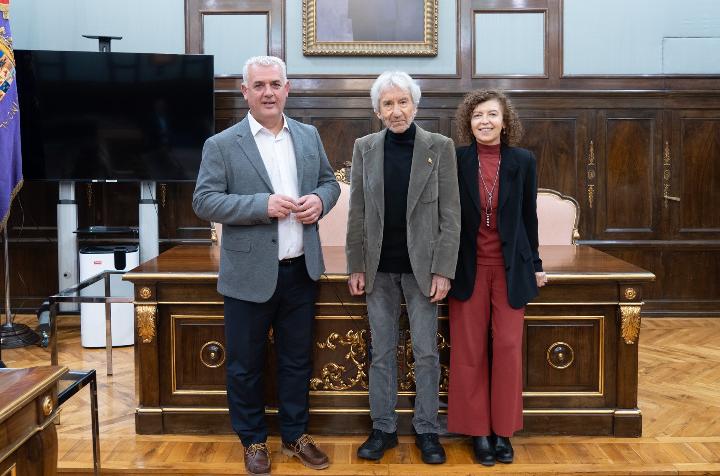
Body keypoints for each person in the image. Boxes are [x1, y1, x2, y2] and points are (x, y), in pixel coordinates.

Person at [192, 55, 340, 476]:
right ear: (245, 92)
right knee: (245, 364)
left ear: (287, 89)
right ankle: (253, 439)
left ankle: (296, 435)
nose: (268, 92)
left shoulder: (308, 136)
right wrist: (263, 205)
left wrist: (320, 201)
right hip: (248, 276)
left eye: (275, 84)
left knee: (296, 361)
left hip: (301, 270)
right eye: (259, 85)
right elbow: (204, 201)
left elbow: (329, 183)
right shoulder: (222, 144)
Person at [345, 71, 460, 465]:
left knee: (427, 352)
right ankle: (384, 429)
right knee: (382, 352)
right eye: (388, 104)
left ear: (415, 104)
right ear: (378, 111)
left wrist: (444, 269)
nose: (396, 111)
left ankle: (428, 430)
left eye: (403, 102)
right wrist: (356, 265)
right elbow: (357, 211)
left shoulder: (440, 147)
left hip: (424, 269)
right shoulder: (365, 148)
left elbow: (451, 215)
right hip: (378, 268)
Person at [448, 89, 547, 466]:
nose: (484, 121)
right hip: (467, 268)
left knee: (506, 348)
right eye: (477, 116)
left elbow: (528, 216)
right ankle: (478, 433)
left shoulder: (523, 160)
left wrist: (536, 264)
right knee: (469, 351)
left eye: (492, 115)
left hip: (510, 269)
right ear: (468, 122)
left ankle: (503, 431)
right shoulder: (456, 160)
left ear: (505, 122)